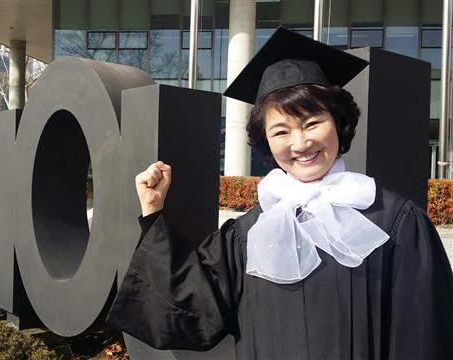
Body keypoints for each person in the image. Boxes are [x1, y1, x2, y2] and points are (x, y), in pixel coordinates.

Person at [107, 27, 453, 359]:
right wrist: (153, 211)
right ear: (266, 142)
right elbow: (187, 306)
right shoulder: (246, 235)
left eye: (313, 122)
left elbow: (424, 337)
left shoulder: (395, 223)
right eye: (281, 131)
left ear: (338, 121)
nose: (300, 144)